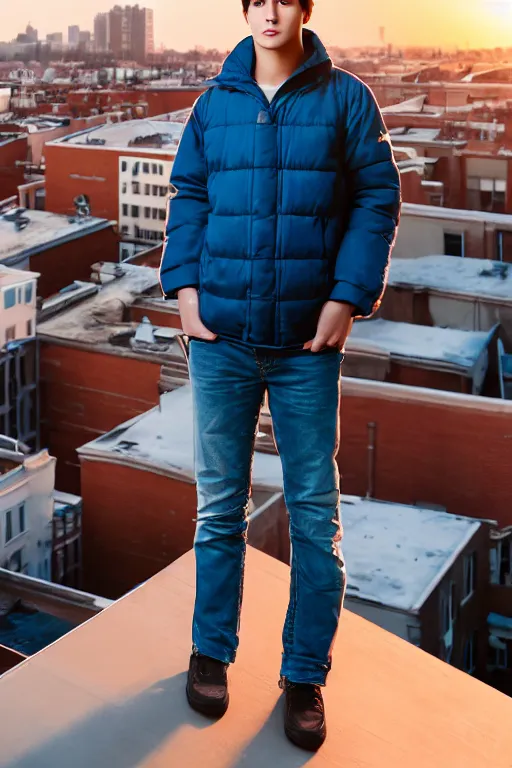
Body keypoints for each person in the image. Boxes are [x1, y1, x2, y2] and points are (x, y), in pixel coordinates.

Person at [159, 0, 401, 752]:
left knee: (314, 517)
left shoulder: (346, 98)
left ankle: (304, 677)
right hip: (221, 340)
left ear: (303, 8)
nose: (268, 11)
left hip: (305, 348)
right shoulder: (215, 103)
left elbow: (375, 198)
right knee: (220, 507)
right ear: (246, 9)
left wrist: (347, 298)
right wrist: (187, 291)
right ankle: (210, 653)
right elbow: (190, 196)